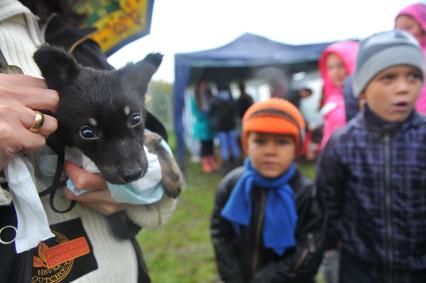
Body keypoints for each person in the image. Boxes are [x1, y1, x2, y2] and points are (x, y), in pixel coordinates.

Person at [0, 1, 177, 282]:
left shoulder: (76, 38)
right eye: (88, 132)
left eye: (133, 121)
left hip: (126, 268)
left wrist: (148, 190)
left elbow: (154, 151)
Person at [317, 29, 426, 283]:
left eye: (413, 76)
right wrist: (330, 255)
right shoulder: (342, 143)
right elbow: (327, 207)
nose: (403, 88)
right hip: (361, 269)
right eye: (388, 78)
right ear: (363, 88)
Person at [210, 98, 325, 283]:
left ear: (296, 148)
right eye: (261, 141)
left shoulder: (307, 194)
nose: (270, 151)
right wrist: (232, 277)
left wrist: (267, 278)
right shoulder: (231, 185)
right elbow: (221, 234)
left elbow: (309, 251)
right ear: (247, 145)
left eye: (281, 142)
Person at [318, 40, 358, 149]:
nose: (336, 72)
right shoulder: (332, 97)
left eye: (341, 66)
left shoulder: (362, 98)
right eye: (330, 67)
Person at [395, 2, 426, 114]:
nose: (402, 34)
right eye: (398, 30)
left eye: (408, 28)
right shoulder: (395, 58)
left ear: (423, 26)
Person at [209, 80, 241, 174]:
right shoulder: (231, 98)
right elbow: (236, 112)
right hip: (231, 125)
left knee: (224, 145)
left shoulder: (214, 99)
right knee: (233, 143)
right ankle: (237, 162)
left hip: (220, 126)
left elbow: (211, 113)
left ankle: (226, 165)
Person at [190, 80, 217, 173]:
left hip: (210, 126)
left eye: (206, 84)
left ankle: (212, 163)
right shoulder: (195, 99)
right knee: (205, 146)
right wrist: (205, 114)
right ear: (198, 86)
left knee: (211, 145)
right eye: (203, 84)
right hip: (202, 127)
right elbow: (195, 113)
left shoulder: (209, 96)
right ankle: (206, 164)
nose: (205, 85)